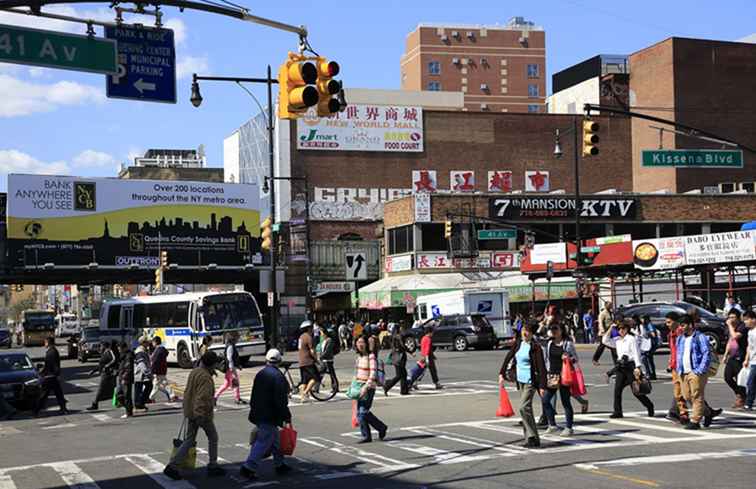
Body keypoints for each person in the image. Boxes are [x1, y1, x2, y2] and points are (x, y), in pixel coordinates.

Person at [163, 352, 225, 480]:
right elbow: (202, 397)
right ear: (211, 364)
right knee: (213, 437)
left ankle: (173, 465)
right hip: (200, 413)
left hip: (190, 410)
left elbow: (188, 392)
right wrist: (201, 414)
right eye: (215, 364)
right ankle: (213, 465)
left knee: (189, 440)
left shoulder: (195, 371)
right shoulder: (205, 377)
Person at [239, 349, 293, 480]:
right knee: (263, 441)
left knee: (275, 440)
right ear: (279, 361)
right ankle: (248, 467)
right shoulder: (278, 376)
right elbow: (281, 400)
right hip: (269, 414)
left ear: (267, 360)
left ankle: (279, 464)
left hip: (258, 411)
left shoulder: (261, 373)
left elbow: (254, 394)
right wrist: (287, 416)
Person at [500, 322, 547, 448]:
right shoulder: (519, 343)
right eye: (524, 330)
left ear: (532, 333)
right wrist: (502, 372)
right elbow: (509, 356)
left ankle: (532, 436)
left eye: (528, 331)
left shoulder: (535, 347)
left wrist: (542, 386)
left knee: (523, 407)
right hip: (520, 380)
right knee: (527, 410)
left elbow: (542, 367)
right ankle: (531, 439)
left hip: (531, 381)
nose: (525, 333)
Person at [602, 319, 654, 418]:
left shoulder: (631, 339)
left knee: (636, 390)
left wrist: (638, 367)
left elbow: (636, 353)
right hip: (621, 368)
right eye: (619, 329)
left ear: (627, 329)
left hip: (630, 366)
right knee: (617, 390)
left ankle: (649, 405)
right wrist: (611, 328)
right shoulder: (617, 340)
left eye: (623, 328)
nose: (621, 330)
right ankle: (618, 412)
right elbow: (605, 340)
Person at [541, 324, 577, 437]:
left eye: (556, 329)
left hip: (564, 375)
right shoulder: (549, 343)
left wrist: (568, 358)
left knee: (565, 402)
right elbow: (546, 359)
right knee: (545, 400)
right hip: (552, 375)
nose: (554, 331)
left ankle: (569, 427)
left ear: (562, 330)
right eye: (552, 329)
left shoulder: (568, 343)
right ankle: (552, 424)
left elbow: (575, 359)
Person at [676, 314, 711, 430]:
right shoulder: (680, 338)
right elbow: (678, 354)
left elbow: (706, 353)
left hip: (696, 371)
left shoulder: (699, 337)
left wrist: (700, 370)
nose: (681, 327)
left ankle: (695, 420)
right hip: (683, 372)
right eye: (680, 325)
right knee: (687, 396)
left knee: (696, 395)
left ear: (690, 325)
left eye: (683, 325)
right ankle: (708, 412)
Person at [353, 335, 388, 443]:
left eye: (362, 342)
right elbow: (356, 373)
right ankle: (380, 428)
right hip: (359, 387)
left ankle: (368, 435)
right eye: (358, 342)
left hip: (368, 387)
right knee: (361, 412)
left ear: (366, 344)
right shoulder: (359, 357)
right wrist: (354, 386)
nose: (360, 344)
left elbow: (373, 374)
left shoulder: (371, 356)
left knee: (362, 412)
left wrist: (366, 387)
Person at [34, 336, 69, 416]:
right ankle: (63, 408)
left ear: (48, 342)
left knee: (45, 394)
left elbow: (52, 365)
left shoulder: (51, 352)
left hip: (50, 377)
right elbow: (50, 365)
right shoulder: (52, 351)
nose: (44, 344)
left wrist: (43, 373)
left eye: (45, 342)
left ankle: (36, 410)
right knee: (57, 393)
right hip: (52, 376)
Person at [723, 309, 748, 408]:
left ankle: (742, 398)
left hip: (740, 356)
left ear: (738, 318)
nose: (731, 319)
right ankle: (740, 394)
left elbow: (735, 336)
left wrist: (729, 326)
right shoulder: (730, 328)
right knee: (727, 377)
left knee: (739, 379)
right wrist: (725, 354)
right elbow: (730, 341)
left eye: (733, 317)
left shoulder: (742, 327)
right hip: (732, 356)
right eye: (729, 317)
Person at [214, 332, 245, 406]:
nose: (238, 339)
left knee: (226, 384)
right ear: (233, 339)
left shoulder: (231, 346)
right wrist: (232, 368)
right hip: (230, 368)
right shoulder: (230, 346)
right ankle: (237, 398)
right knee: (235, 383)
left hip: (230, 368)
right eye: (237, 338)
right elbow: (229, 358)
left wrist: (238, 365)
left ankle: (215, 397)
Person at [86, 341, 118, 411]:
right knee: (108, 389)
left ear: (104, 346)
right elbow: (101, 365)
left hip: (107, 374)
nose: (100, 347)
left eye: (101, 346)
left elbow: (114, 359)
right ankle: (120, 401)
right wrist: (93, 370)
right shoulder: (104, 353)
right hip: (104, 373)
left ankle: (95, 404)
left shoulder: (109, 351)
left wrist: (107, 366)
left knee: (101, 389)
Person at [297, 321, 320, 402]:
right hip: (308, 361)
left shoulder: (301, 337)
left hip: (301, 361)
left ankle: (302, 398)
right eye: (311, 327)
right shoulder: (309, 337)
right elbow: (312, 351)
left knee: (304, 380)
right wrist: (316, 359)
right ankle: (305, 392)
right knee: (316, 377)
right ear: (308, 328)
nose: (313, 329)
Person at [150, 336, 178, 403]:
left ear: (155, 342)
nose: (152, 344)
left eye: (153, 342)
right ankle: (172, 395)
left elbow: (154, 361)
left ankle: (151, 397)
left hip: (158, 370)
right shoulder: (162, 349)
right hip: (162, 369)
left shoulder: (158, 350)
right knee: (161, 384)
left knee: (158, 385)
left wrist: (152, 370)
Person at [384, 324, 409, 396]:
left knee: (403, 374)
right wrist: (409, 351)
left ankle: (404, 390)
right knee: (399, 375)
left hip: (395, 356)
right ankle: (387, 386)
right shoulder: (398, 336)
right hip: (400, 357)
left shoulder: (392, 336)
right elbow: (402, 346)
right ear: (398, 328)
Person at [741, 310, 756, 410]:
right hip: (753, 361)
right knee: (751, 382)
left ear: (753, 319)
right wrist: (746, 359)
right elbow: (749, 347)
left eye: (746, 320)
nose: (745, 322)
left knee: (750, 382)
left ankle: (748, 403)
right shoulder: (750, 332)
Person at [420, 325, 443, 390]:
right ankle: (437, 383)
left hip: (423, 356)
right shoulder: (428, 339)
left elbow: (423, 348)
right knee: (433, 371)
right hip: (428, 357)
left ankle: (414, 383)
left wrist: (431, 356)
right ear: (429, 332)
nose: (433, 334)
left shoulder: (423, 338)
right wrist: (427, 358)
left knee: (421, 371)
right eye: (432, 332)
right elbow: (427, 349)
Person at [133, 337, 152, 411]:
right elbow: (141, 364)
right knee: (139, 389)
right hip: (140, 373)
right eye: (147, 342)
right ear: (143, 343)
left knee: (148, 386)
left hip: (143, 374)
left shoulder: (143, 350)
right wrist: (147, 373)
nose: (148, 343)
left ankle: (140, 403)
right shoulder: (140, 351)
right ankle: (138, 405)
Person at [117, 342, 134, 419]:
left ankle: (129, 412)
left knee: (127, 396)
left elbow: (128, 368)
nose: (119, 350)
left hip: (126, 379)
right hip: (122, 378)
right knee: (119, 394)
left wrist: (124, 377)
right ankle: (128, 408)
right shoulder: (123, 355)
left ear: (124, 348)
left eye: (120, 348)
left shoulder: (128, 356)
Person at [319, 327, 339, 393]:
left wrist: (321, 356)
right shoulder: (324, 340)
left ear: (324, 333)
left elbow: (328, 350)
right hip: (323, 360)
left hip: (328, 360)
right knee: (320, 373)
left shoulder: (329, 340)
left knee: (332, 374)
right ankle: (316, 387)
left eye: (321, 332)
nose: (320, 334)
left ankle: (335, 387)